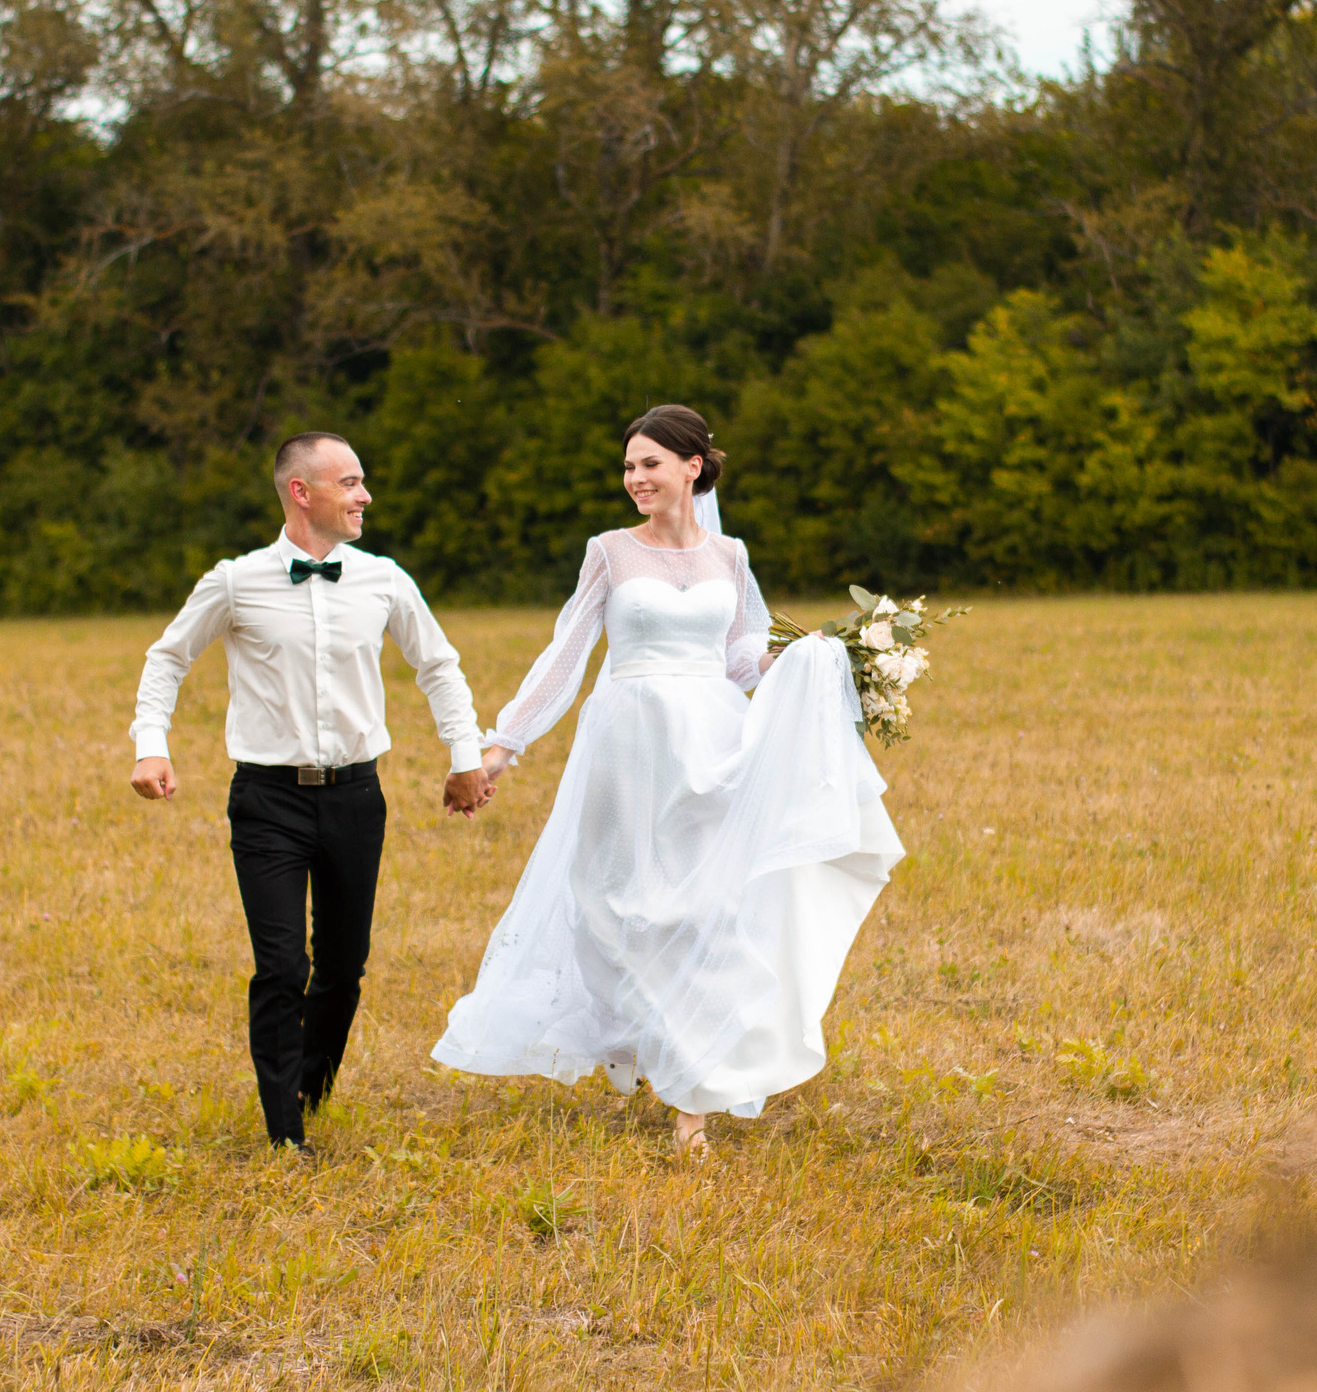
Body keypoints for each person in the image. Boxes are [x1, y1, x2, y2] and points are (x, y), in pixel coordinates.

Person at [430, 405, 902, 1155]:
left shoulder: (731, 555)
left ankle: (693, 1099)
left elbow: (742, 657)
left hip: (711, 740)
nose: (635, 478)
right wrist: (500, 747)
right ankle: (650, 1037)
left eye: (649, 463)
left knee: (709, 906)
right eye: (628, 466)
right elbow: (566, 655)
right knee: (621, 909)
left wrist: (810, 658)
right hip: (627, 743)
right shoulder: (611, 552)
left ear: (693, 465)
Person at [128, 433, 493, 1151]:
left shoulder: (385, 579)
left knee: (343, 965)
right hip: (267, 801)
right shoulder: (235, 581)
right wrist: (151, 744)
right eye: (350, 482)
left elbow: (440, 667)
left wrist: (465, 755)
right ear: (303, 492)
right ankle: (283, 1130)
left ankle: (310, 1083)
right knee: (281, 964)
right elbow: (167, 657)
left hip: (357, 797)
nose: (365, 496)